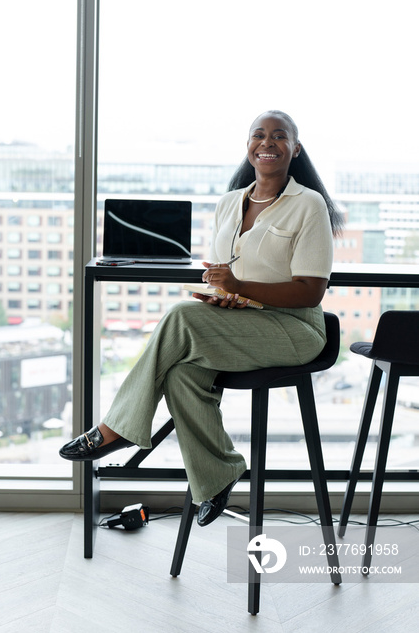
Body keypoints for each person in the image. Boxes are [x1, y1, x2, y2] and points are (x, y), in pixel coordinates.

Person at [60, 110, 342, 526]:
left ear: (295, 149)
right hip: (243, 321)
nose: (267, 143)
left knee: (179, 316)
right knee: (180, 374)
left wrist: (240, 289)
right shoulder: (229, 203)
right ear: (248, 147)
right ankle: (217, 474)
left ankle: (115, 428)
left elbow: (311, 290)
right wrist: (224, 297)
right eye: (258, 135)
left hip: (295, 329)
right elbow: (228, 275)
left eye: (279, 136)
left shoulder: (309, 204)